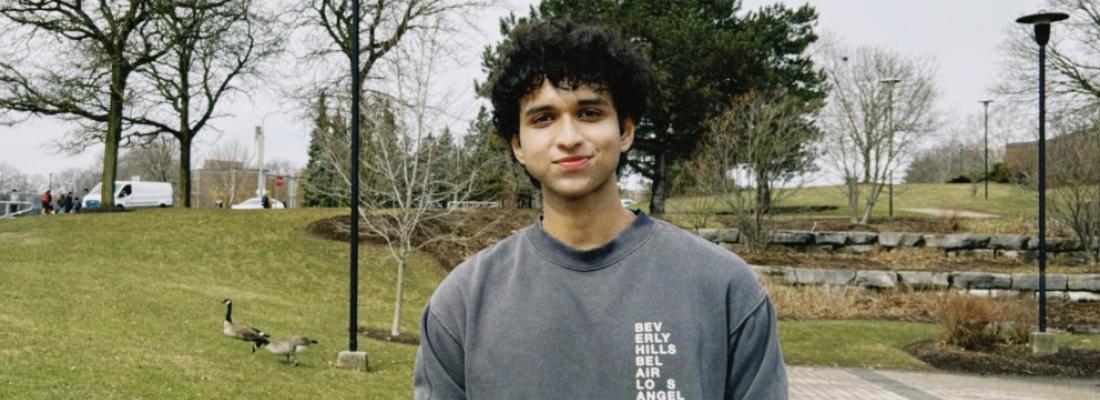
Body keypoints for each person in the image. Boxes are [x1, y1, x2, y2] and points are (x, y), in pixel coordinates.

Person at [413, 20, 787, 400]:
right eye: (543, 118)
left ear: (625, 130)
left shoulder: (724, 289)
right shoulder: (461, 305)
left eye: (589, 113)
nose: (570, 138)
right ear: (518, 145)